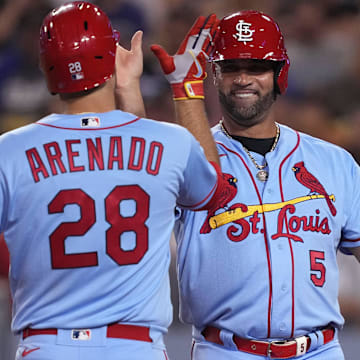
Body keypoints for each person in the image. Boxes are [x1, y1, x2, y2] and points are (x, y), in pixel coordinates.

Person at [0, 2, 232, 359]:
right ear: (110, 57)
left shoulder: (9, 151)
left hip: (46, 345)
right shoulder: (168, 142)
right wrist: (171, 90)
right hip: (135, 348)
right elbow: (215, 193)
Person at [152, 10, 360, 360]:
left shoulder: (333, 162)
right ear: (213, 75)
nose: (243, 79)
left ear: (280, 75)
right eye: (231, 67)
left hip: (319, 350)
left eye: (257, 67)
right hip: (224, 350)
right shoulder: (187, 160)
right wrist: (183, 91)